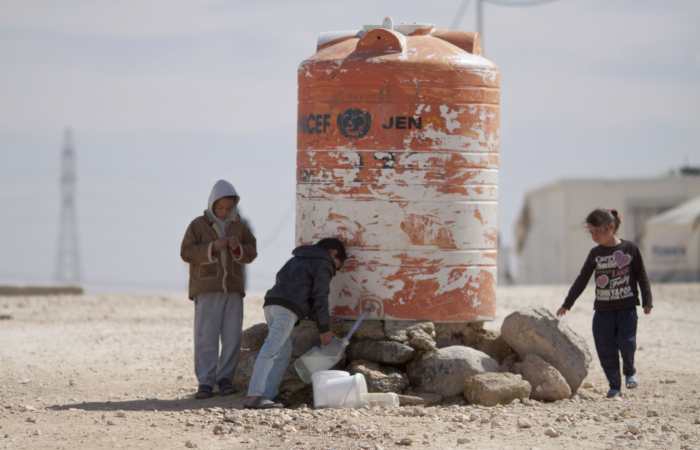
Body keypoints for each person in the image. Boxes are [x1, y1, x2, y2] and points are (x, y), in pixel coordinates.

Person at [556, 208, 652, 398]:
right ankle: (614, 386)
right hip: (603, 311)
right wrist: (567, 303)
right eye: (591, 232)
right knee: (605, 348)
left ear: (611, 227)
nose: (594, 236)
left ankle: (630, 372)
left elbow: (642, 276)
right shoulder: (595, 254)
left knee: (626, 343)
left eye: (598, 231)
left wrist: (647, 300)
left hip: (627, 309)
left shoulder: (630, 249)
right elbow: (582, 280)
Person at [243, 238, 346, 409]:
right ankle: (253, 398)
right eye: (337, 266)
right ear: (333, 253)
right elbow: (319, 297)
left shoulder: (297, 258)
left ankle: (269, 396)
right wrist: (324, 330)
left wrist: (323, 320)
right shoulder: (323, 262)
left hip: (271, 305)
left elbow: (301, 293)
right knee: (271, 350)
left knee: (283, 352)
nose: (335, 270)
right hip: (285, 310)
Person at [181, 180, 257, 399]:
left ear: (234, 206)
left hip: (233, 290)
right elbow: (186, 252)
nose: (224, 213)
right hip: (206, 289)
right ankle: (205, 382)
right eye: (220, 208)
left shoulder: (240, 226)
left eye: (228, 208)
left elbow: (251, 253)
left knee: (232, 337)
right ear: (212, 204)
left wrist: (238, 248)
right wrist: (211, 248)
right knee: (206, 336)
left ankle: (225, 379)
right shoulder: (197, 225)